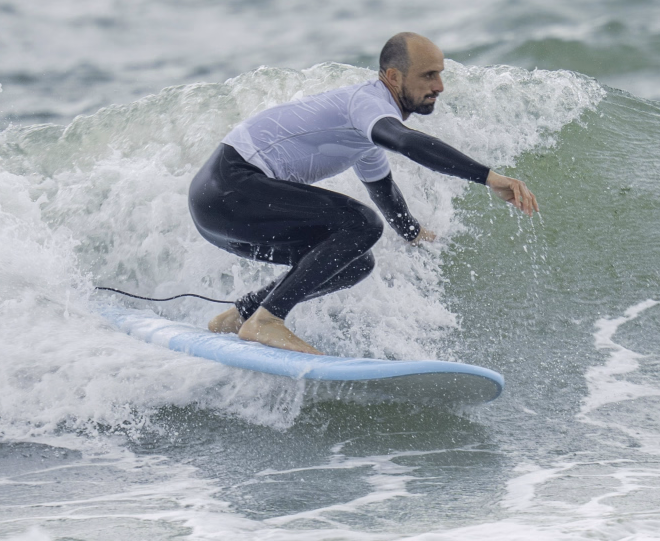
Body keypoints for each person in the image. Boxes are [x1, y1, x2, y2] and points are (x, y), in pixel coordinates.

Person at [187, 32, 539, 354]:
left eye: (440, 74)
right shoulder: (367, 103)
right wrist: (488, 177)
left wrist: (414, 234)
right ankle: (266, 321)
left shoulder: (366, 132)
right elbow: (405, 142)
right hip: (229, 187)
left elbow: (383, 191)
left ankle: (239, 316)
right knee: (361, 224)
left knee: (356, 261)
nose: (440, 86)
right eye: (428, 75)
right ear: (393, 77)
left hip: (220, 211)